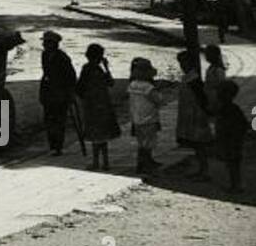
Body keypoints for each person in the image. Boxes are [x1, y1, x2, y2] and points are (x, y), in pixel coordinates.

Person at [76, 43, 120, 171]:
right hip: (103, 105)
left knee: (96, 136)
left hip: (92, 106)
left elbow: (79, 87)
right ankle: (105, 162)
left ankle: (97, 162)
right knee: (103, 136)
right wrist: (106, 68)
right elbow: (111, 82)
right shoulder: (98, 70)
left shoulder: (87, 69)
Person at [175, 49, 213, 180]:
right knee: (196, 145)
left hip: (196, 115)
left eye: (184, 63)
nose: (182, 66)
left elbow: (202, 98)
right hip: (189, 115)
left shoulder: (194, 79)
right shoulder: (188, 78)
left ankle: (205, 170)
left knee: (200, 144)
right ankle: (202, 169)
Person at [39, 30, 78, 155]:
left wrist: (70, 93)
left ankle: (58, 147)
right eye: (44, 42)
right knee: (49, 120)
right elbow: (46, 73)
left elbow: (71, 77)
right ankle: (52, 145)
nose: (44, 45)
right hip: (49, 92)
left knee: (59, 121)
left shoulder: (63, 58)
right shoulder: (44, 55)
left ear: (54, 44)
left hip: (61, 93)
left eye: (47, 43)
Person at [127, 57, 166, 173]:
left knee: (141, 143)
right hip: (149, 118)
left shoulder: (132, 85)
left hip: (137, 118)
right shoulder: (148, 87)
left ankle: (143, 162)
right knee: (149, 143)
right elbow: (158, 100)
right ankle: (146, 164)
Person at [212, 79, 247, 191]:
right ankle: (235, 184)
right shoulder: (232, 108)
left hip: (230, 140)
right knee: (233, 164)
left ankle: (236, 185)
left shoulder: (227, 109)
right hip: (234, 140)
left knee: (232, 164)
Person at [202, 44, 228, 113]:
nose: (205, 56)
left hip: (215, 97)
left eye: (207, 54)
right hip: (210, 95)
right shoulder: (211, 68)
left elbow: (221, 85)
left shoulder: (218, 70)